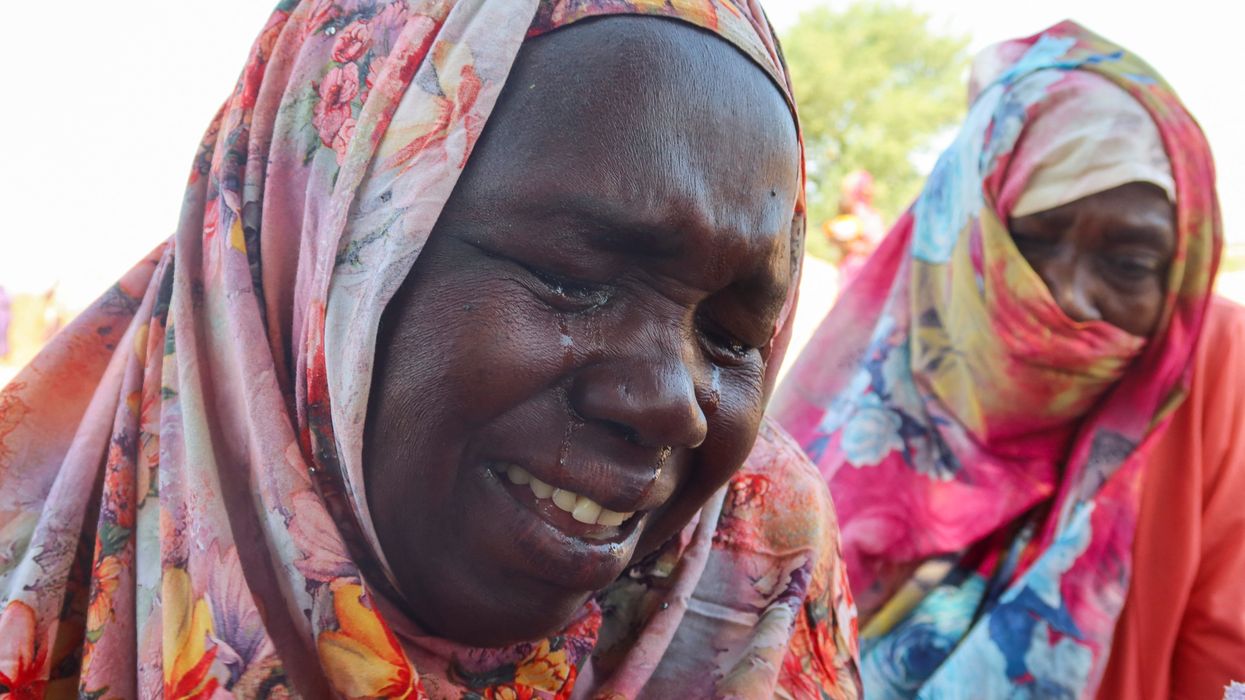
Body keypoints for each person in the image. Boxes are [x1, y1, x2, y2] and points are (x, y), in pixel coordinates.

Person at [0, 1, 861, 697]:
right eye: (571, 277)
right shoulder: (41, 588)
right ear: (319, 259)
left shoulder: (754, 565)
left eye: (733, 336)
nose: (674, 401)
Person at [772, 20, 1243, 699]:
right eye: (1027, 244)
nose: (1068, 298)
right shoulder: (816, 470)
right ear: (958, 249)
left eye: (1129, 262)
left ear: (1177, 270)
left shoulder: (1208, 371)